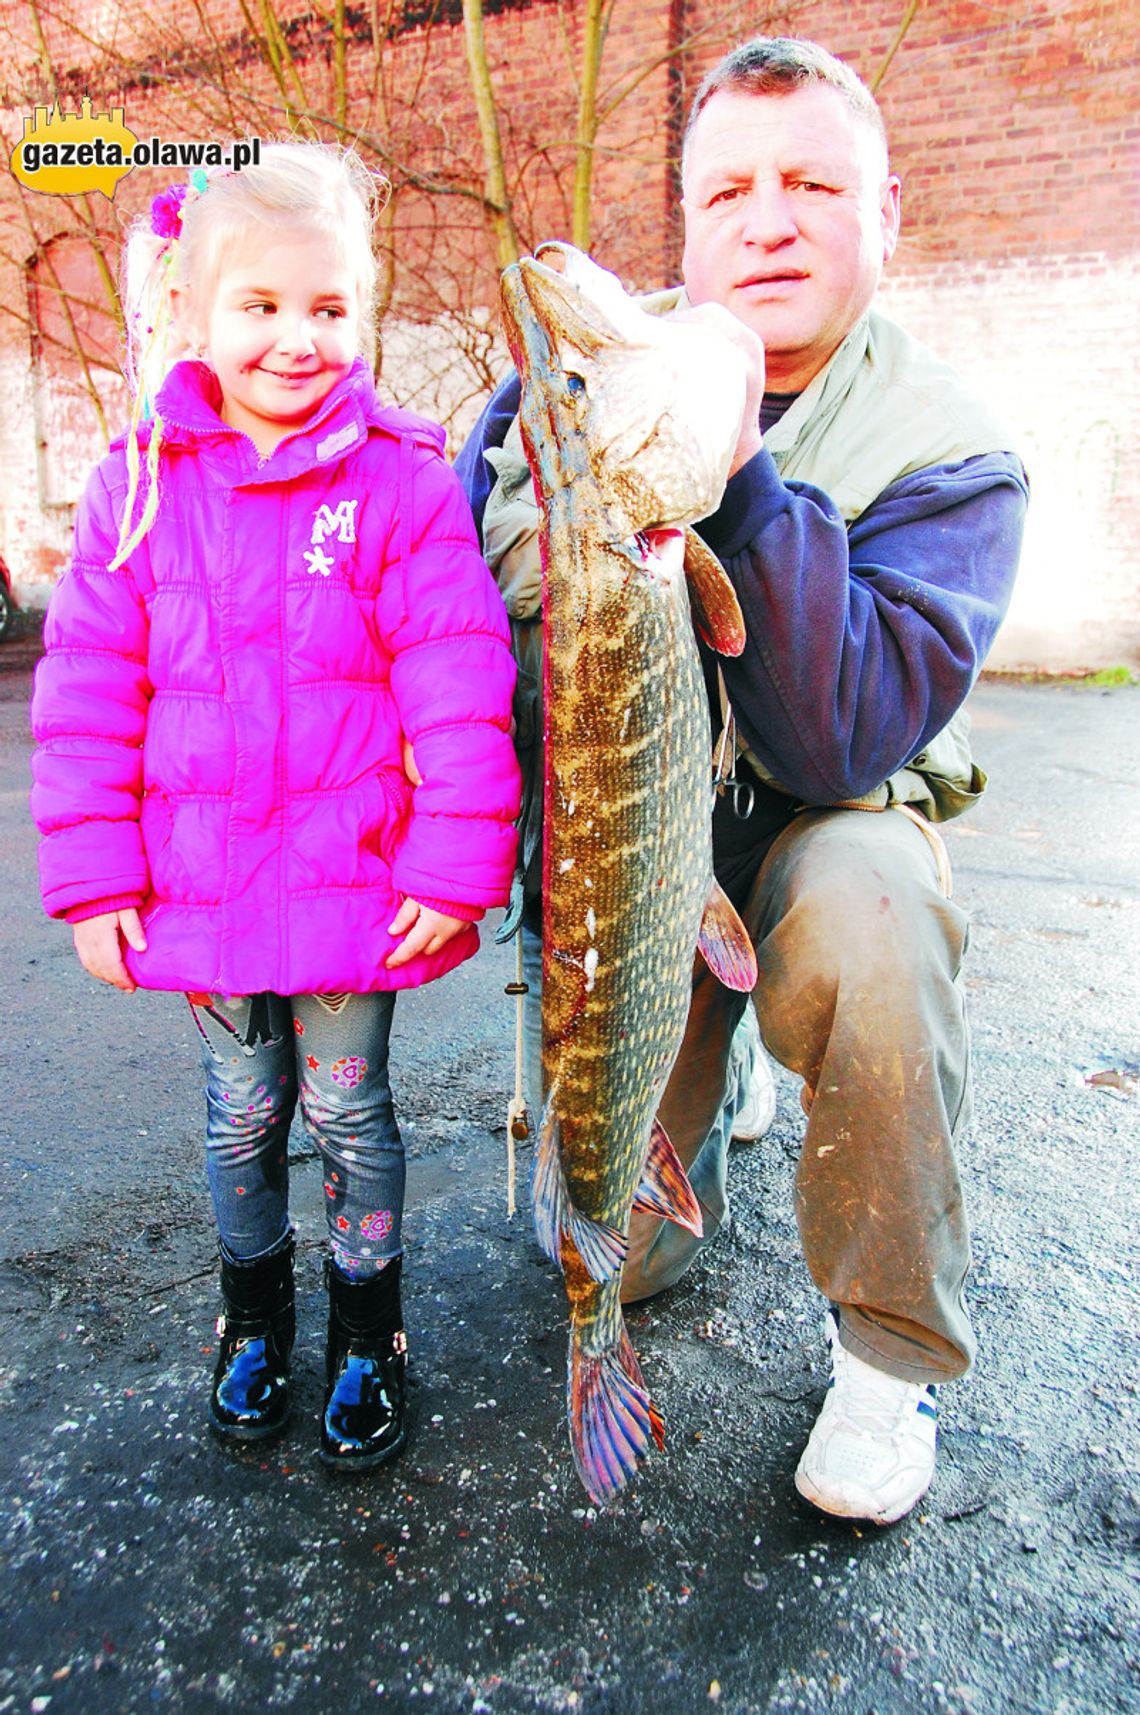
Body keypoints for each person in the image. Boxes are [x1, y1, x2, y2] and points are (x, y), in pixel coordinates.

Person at [456, 37, 1027, 1524]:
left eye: (813, 184)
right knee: (602, 1247)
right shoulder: (586, 375)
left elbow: (846, 734)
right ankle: (719, 1075)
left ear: (885, 215)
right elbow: (487, 609)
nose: (769, 219)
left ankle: (889, 1354)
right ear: (691, 226)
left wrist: (738, 469)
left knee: (876, 916)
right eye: (731, 192)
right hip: (642, 871)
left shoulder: (954, 453)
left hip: (818, 829)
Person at [31, 143, 520, 1474]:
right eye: (261, 307)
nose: (297, 339)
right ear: (194, 313)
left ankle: (371, 1333)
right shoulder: (137, 494)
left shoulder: (402, 485)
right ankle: (253, 1320)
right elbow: (87, 689)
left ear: (362, 316)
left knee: (352, 1112)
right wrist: (97, 880)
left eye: (329, 310)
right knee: (240, 1113)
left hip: (357, 882)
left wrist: (456, 859)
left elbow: (459, 682)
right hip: (203, 884)